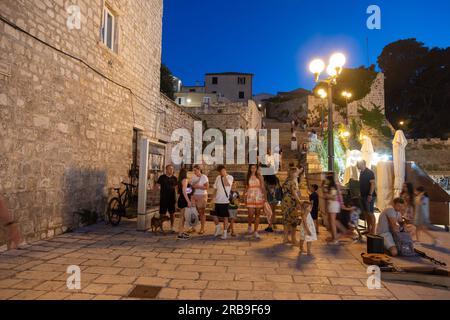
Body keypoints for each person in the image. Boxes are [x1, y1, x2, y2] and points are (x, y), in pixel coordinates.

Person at [211, 165, 234, 240]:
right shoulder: (218, 177)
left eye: (221, 171)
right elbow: (215, 188)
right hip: (217, 200)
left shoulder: (230, 177)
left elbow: (227, 184)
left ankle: (225, 233)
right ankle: (218, 228)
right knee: (214, 215)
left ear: (224, 170)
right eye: (219, 172)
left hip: (225, 201)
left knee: (225, 217)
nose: (220, 173)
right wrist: (212, 198)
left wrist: (224, 176)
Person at [281, 167, 302, 245]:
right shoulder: (293, 181)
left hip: (285, 202)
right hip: (290, 203)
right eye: (297, 172)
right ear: (293, 173)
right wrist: (300, 202)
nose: (298, 173)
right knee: (294, 221)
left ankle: (285, 239)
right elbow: (294, 193)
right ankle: (294, 239)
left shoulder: (287, 180)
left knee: (286, 220)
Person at [244, 164, 266, 239]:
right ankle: (249, 225)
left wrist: (264, 198)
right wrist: (244, 196)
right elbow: (246, 187)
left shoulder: (260, 176)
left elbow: (263, 187)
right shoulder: (247, 176)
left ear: (256, 169)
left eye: (254, 168)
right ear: (250, 169)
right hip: (250, 196)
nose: (253, 169)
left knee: (257, 214)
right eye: (251, 168)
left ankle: (255, 231)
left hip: (258, 196)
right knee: (250, 214)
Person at [357, 160, 377, 235]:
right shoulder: (361, 173)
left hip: (369, 196)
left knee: (370, 213)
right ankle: (369, 229)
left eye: (358, 164)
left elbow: (372, 184)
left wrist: (370, 195)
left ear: (363, 164)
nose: (357, 165)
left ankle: (373, 231)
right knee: (366, 213)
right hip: (363, 196)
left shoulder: (369, 172)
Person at [157, 164, 178, 232]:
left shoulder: (175, 178)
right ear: (166, 169)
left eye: (172, 169)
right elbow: (157, 186)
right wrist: (155, 194)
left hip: (172, 199)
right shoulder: (162, 177)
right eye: (169, 169)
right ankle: (160, 227)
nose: (171, 170)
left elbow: (177, 188)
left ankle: (172, 227)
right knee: (162, 213)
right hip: (163, 198)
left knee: (172, 213)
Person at [190, 165, 209, 234]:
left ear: (199, 169)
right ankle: (193, 227)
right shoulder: (193, 177)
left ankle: (202, 228)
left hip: (202, 195)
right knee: (193, 212)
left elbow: (207, 187)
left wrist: (199, 186)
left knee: (201, 212)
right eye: (193, 170)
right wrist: (192, 186)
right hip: (194, 196)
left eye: (195, 170)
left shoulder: (204, 177)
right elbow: (190, 186)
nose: (194, 172)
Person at [322, 175, 340, 244]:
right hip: (331, 205)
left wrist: (326, 195)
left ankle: (335, 239)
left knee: (332, 222)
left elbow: (334, 197)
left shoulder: (332, 187)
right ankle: (333, 237)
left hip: (333, 205)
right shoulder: (329, 187)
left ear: (329, 180)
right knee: (330, 221)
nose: (325, 181)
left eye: (326, 179)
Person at [177, 168, 193, 240]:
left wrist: (190, 189)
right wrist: (188, 201)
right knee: (182, 217)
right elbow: (184, 191)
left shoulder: (181, 180)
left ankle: (181, 232)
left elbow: (185, 190)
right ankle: (180, 234)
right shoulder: (185, 180)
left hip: (181, 199)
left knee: (182, 217)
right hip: (184, 199)